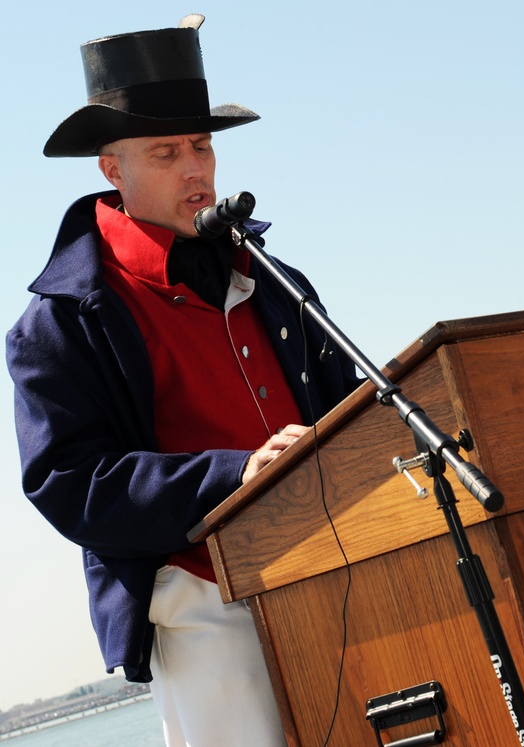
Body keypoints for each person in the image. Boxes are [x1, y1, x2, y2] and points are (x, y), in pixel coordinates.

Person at [6, 15, 362, 746]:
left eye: (201, 146)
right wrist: (237, 475)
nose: (195, 167)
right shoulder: (58, 324)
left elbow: (356, 404)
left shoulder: (273, 276)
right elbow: (67, 481)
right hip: (201, 601)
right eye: (165, 152)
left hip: (342, 569)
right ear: (112, 169)